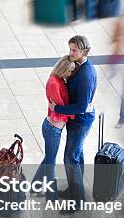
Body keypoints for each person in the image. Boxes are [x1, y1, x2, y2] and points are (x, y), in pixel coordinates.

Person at [48, 36, 97, 203]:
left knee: (70, 158)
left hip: (80, 121)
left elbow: (81, 106)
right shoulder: (80, 67)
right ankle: (75, 190)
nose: (70, 53)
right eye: (70, 49)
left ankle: (77, 200)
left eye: (74, 50)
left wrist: (57, 108)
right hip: (77, 120)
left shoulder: (86, 74)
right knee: (77, 155)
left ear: (84, 51)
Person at [31, 56, 75, 195]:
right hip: (52, 129)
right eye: (69, 71)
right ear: (63, 69)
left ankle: (35, 187)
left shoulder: (59, 80)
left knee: (48, 159)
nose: (70, 74)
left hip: (54, 128)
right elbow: (59, 108)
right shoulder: (54, 83)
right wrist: (72, 112)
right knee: (51, 163)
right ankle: (51, 194)